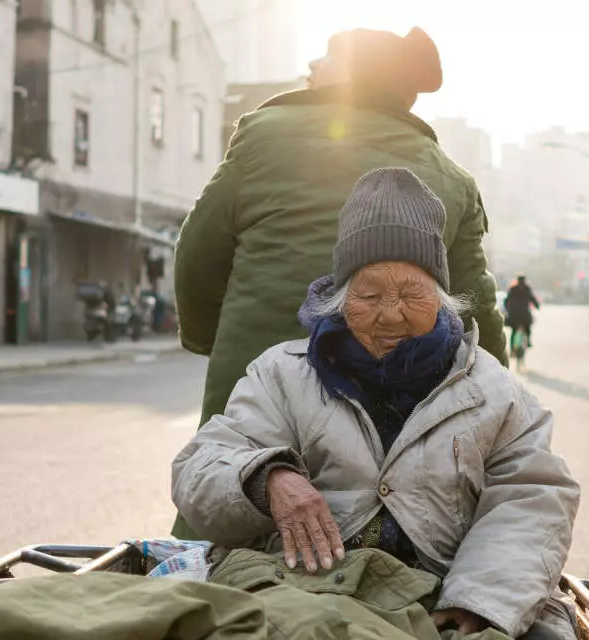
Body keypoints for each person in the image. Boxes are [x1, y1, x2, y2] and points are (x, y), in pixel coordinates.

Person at [173, 169, 580, 640]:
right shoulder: (281, 375)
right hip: (306, 594)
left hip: (444, 597)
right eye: (368, 295)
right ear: (340, 298)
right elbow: (200, 467)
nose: (390, 314)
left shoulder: (494, 391)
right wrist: (266, 479)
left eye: (411, 294)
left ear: (441, 298)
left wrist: (478, 601)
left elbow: (533, 498)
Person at [172, 26, 508, 538]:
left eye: (327, 56)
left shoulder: (263, 138)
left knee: (225, 507)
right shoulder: (451, 177)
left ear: (356, 76)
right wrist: (495, 399)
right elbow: (475, 308)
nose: (312, 66)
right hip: (395, 419)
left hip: (251, 393)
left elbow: (197, 260)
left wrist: (206, 339)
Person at [504, 275, 540, 348]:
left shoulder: (513, 289)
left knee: (514, 331)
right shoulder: (527, 289)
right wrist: (537, 306)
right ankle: (528, 341)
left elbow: (506, 301)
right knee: (527, 329)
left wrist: (508, 309)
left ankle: (512, 348)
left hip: (514, 314)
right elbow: (532, 299)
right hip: (525, 314)